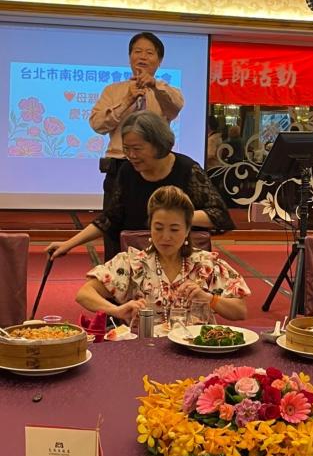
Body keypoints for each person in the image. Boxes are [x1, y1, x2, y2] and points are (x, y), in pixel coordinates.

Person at [47, 111, 234, 261]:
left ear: (158, 144)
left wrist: (175, 218)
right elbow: (110, 218)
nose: (131, 155)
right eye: (126, 149)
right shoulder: (127, 171)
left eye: (137, 149)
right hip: (136, 260)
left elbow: (219, 216)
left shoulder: (187, 169)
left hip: (180, 258)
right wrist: (68, 244)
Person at [76, 186, 249, 323]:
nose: (165, 237)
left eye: (174, 229)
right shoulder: (132, 263)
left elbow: (240, 311)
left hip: (197, 349)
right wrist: (116, 311)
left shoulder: (206, 264)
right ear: (150, 227)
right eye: (158, 228)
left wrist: (209, 299)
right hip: (146, 349)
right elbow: (84, 294)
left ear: (187, 230)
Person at [90, 32, 184, 256]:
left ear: (159, 61)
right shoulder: (113, 91)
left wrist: (155, 87)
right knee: (113, 229)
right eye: (137, 52)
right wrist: (127, 101)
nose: (142, 57)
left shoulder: (167, 91)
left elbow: (175, 108)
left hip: (155, 170)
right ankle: (114, 272)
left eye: (149, 53)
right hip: (119, 168)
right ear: (130, 57)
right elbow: (97, 124)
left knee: (154, 226)